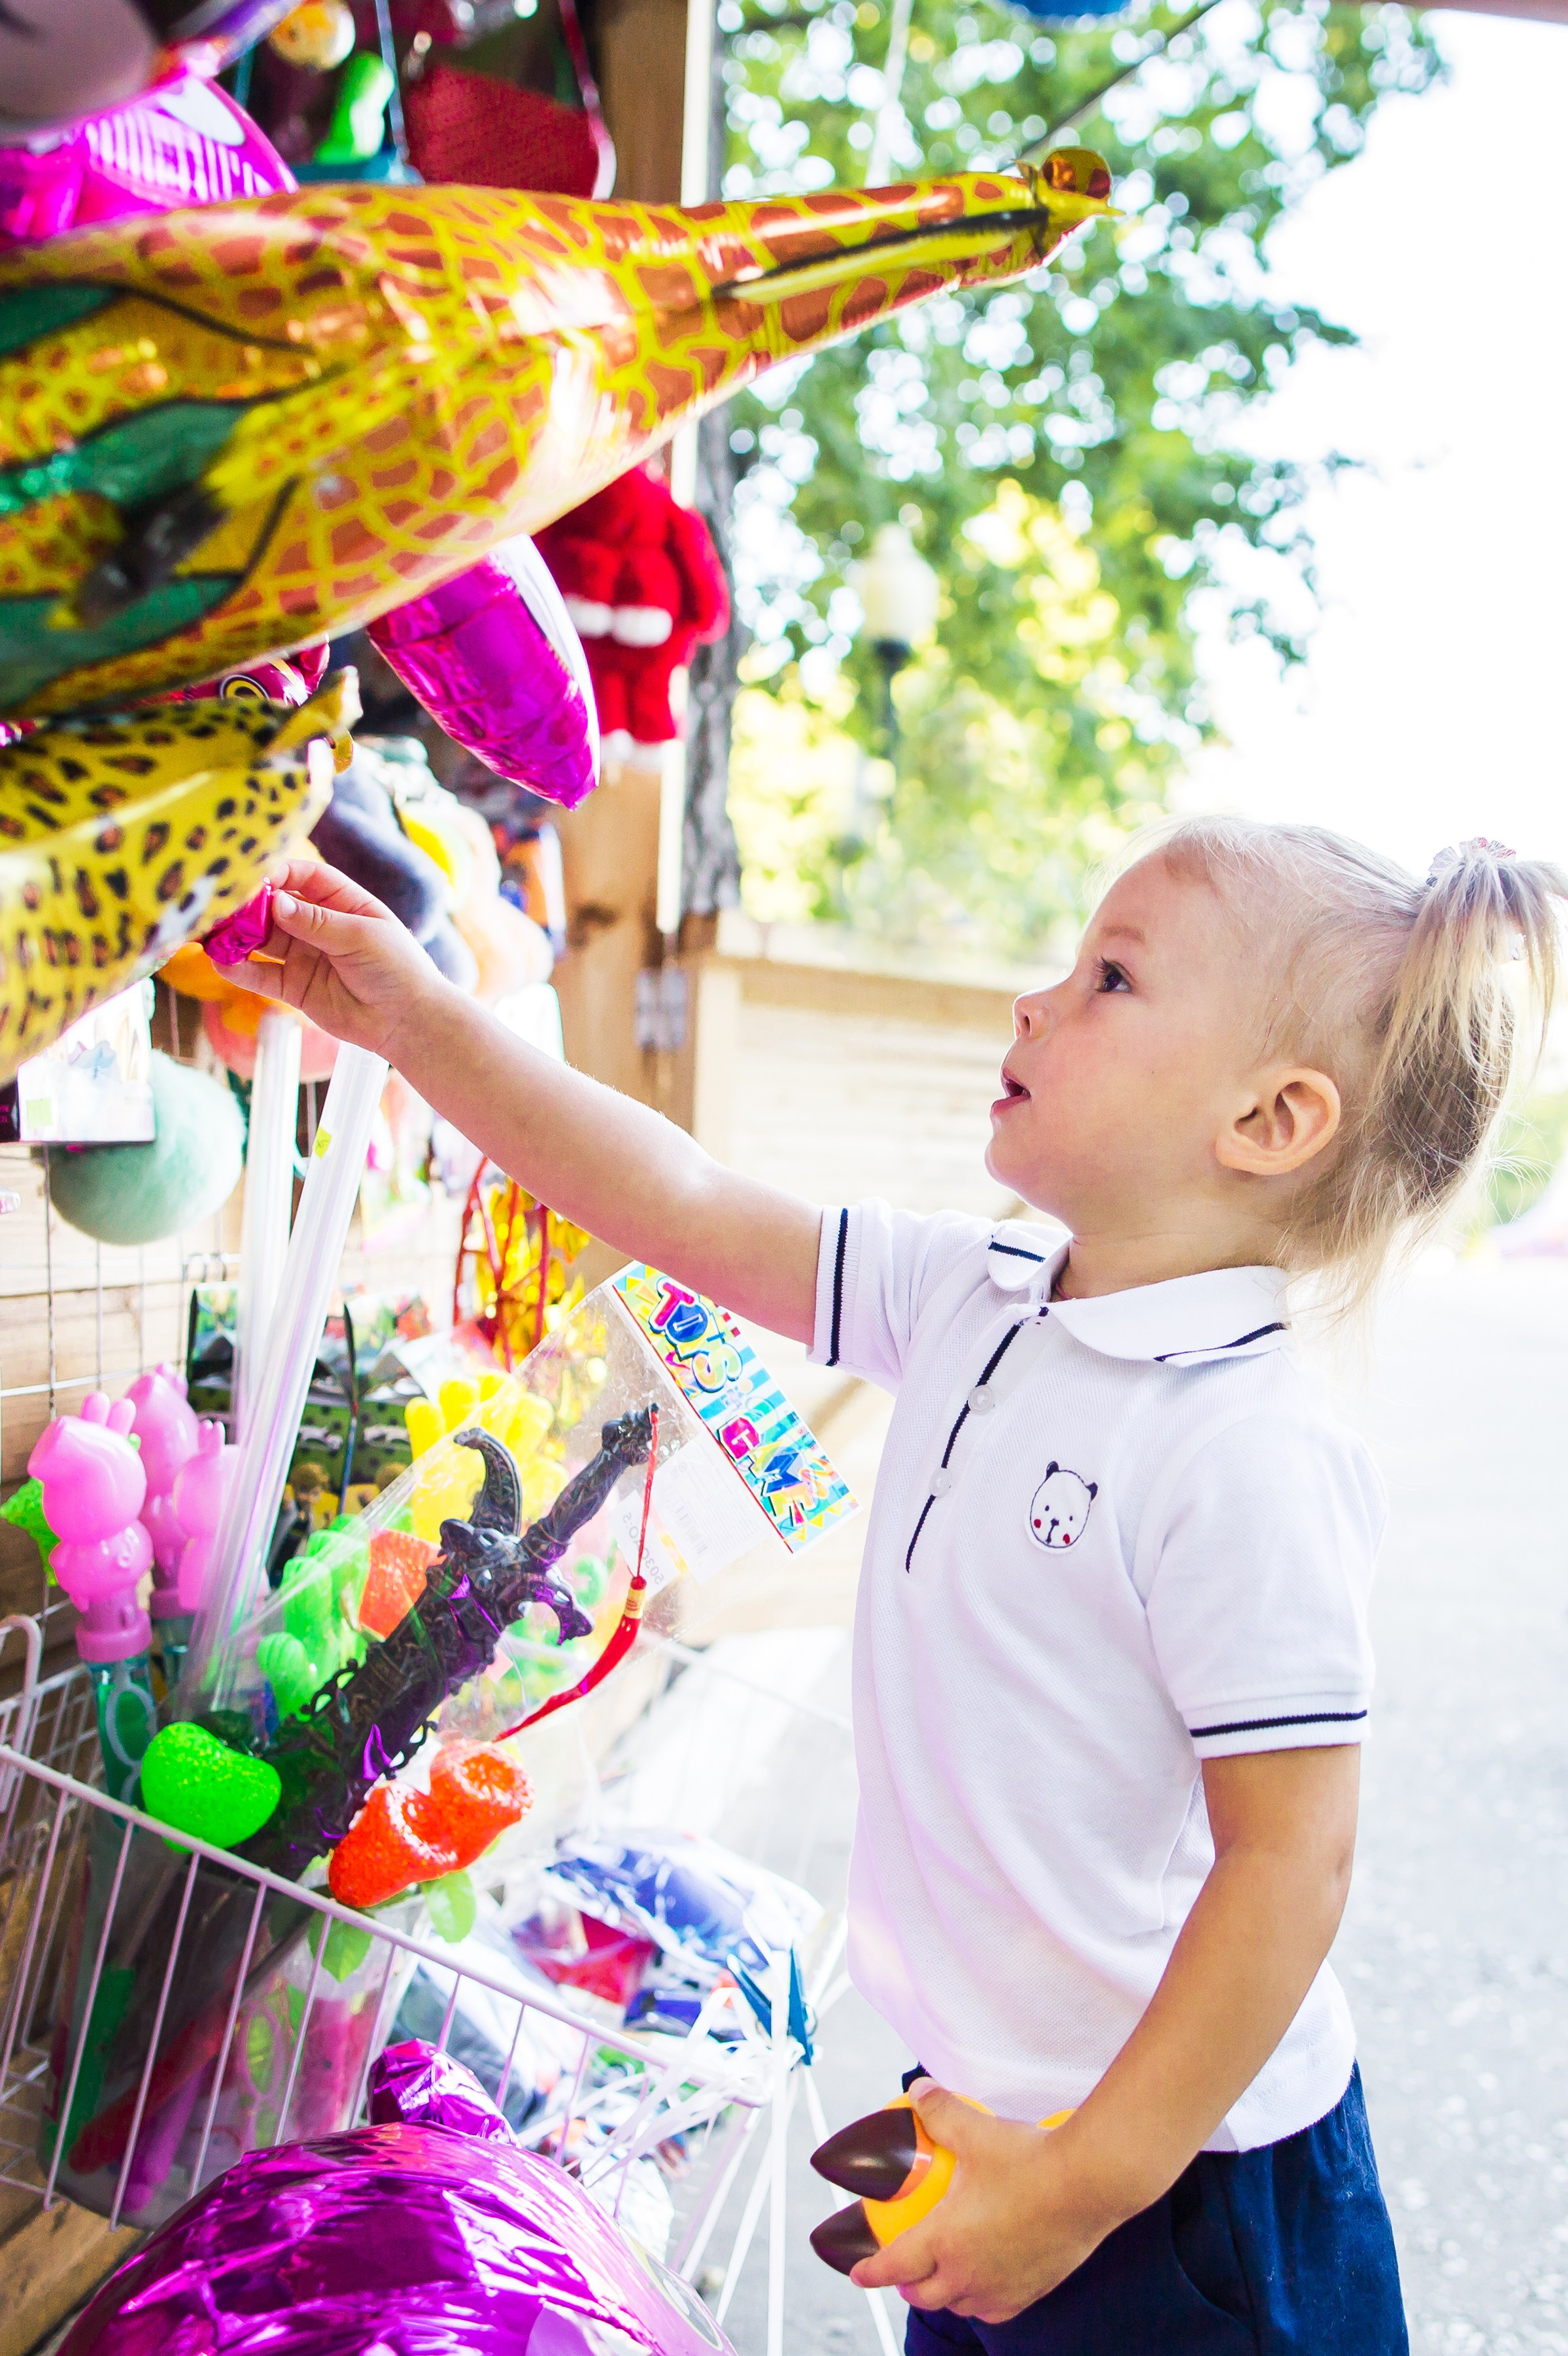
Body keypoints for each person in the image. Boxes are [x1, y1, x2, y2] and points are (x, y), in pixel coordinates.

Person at [216, 820, 1565, 2355]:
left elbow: (1290, 1862)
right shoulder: (970, 1293)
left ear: (1267, 1119)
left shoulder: (1244, 1444)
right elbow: (678, 1196)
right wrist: (412, 1017)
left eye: (1111, 978)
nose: (1035, 1000)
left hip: (1180, 2190)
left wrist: (1078, 2187)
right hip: (981, 2131)